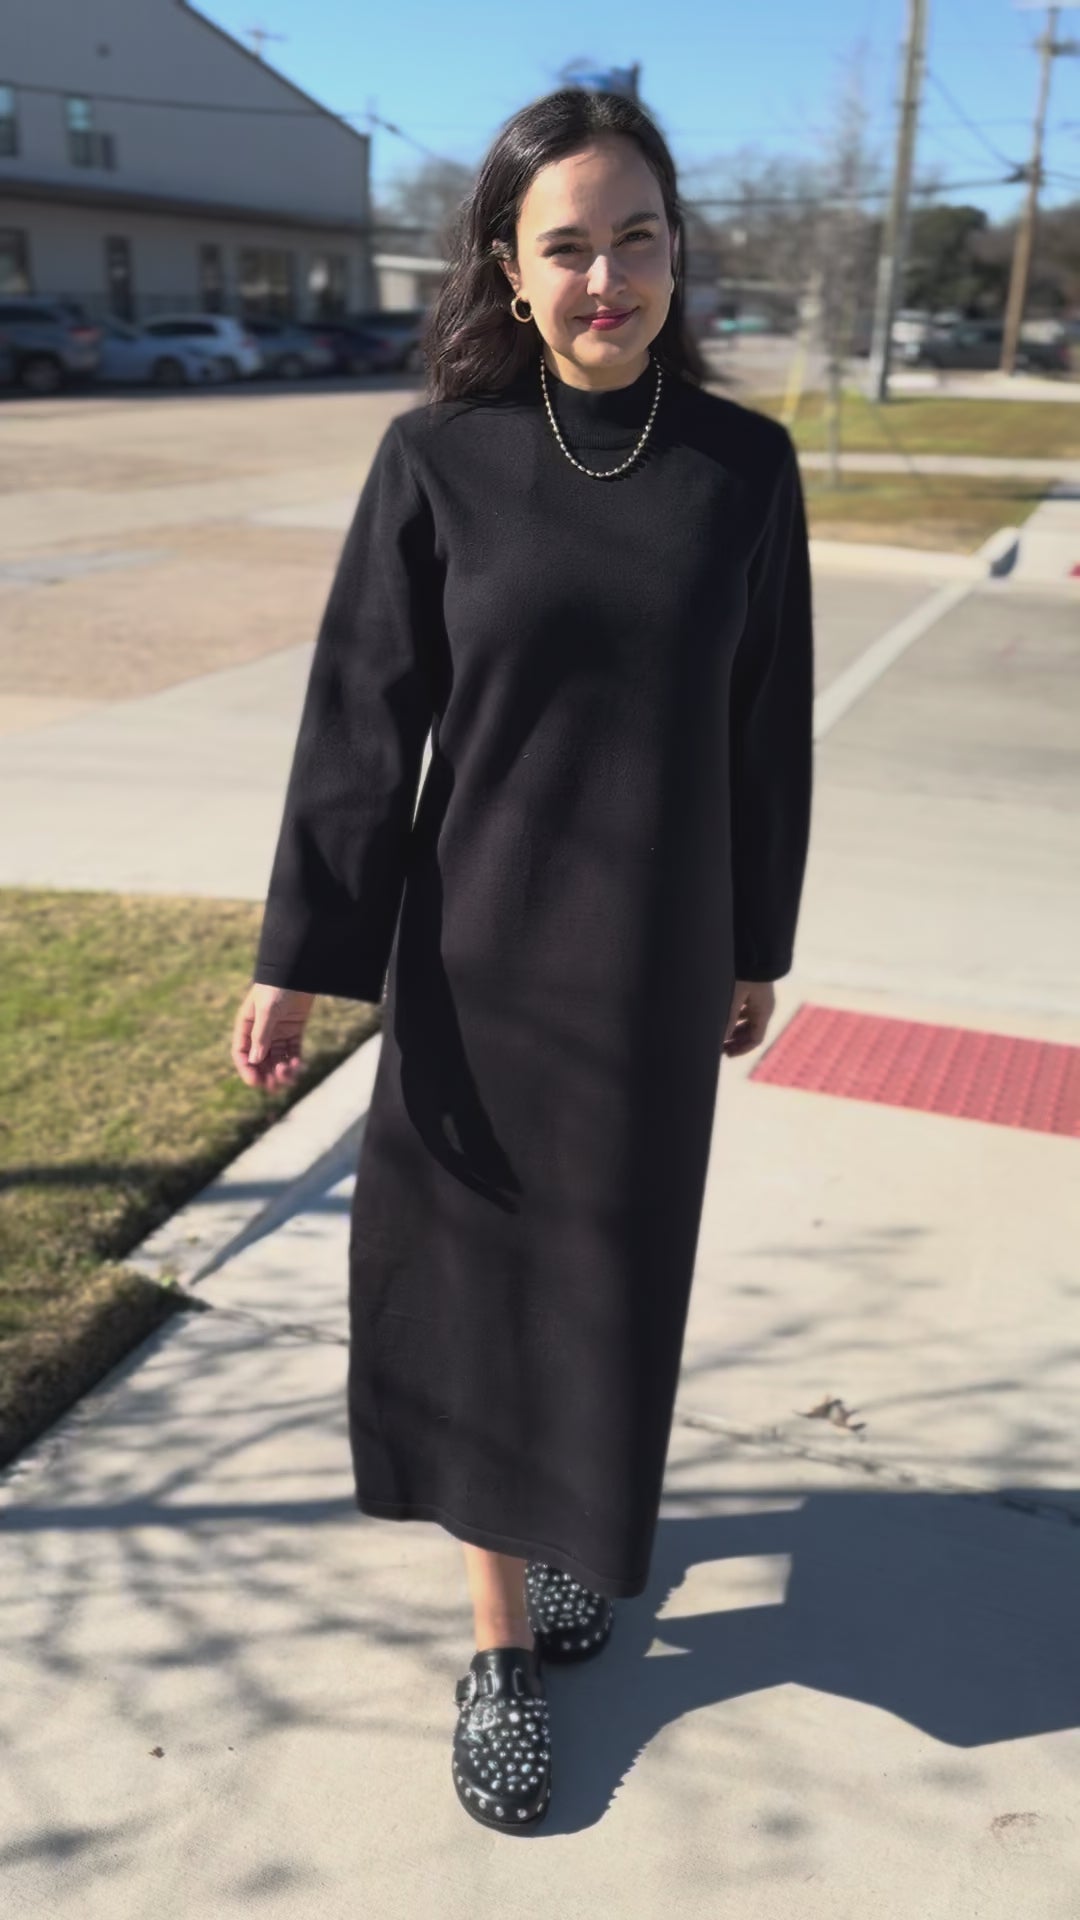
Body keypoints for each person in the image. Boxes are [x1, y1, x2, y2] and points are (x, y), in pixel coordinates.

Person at [231, 85, 813, 1831]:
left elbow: (766, 731)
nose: (607, 276)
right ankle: (499, 1643)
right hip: (475, 968)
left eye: (639, 237)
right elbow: (360, 722)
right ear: (508, 261)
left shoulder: (744, 471)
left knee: (607, 1297)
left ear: (676, 253)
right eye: (568, 244)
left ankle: (577, 1537)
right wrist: (299, 958)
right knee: (483, 1304)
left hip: (653, 971)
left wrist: (756, 944)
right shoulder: (438, 461)